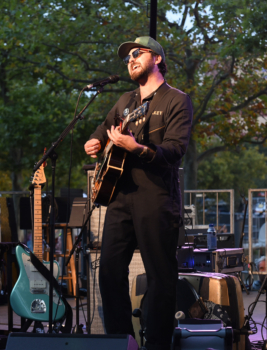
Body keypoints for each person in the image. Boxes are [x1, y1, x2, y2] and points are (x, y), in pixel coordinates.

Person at [84, 36, 193, 350]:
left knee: (160, 276)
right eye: (127, 56)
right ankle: (122, 342)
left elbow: (175, 150)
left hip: (156, 198)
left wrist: (137, 148)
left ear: (156, 59)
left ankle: (157, 343)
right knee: (108, 273)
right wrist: (96, 143)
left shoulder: (176, 99)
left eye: (137, 53)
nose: (130, 59)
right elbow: (103, 130)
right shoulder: (125, 101)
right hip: (119, 197)